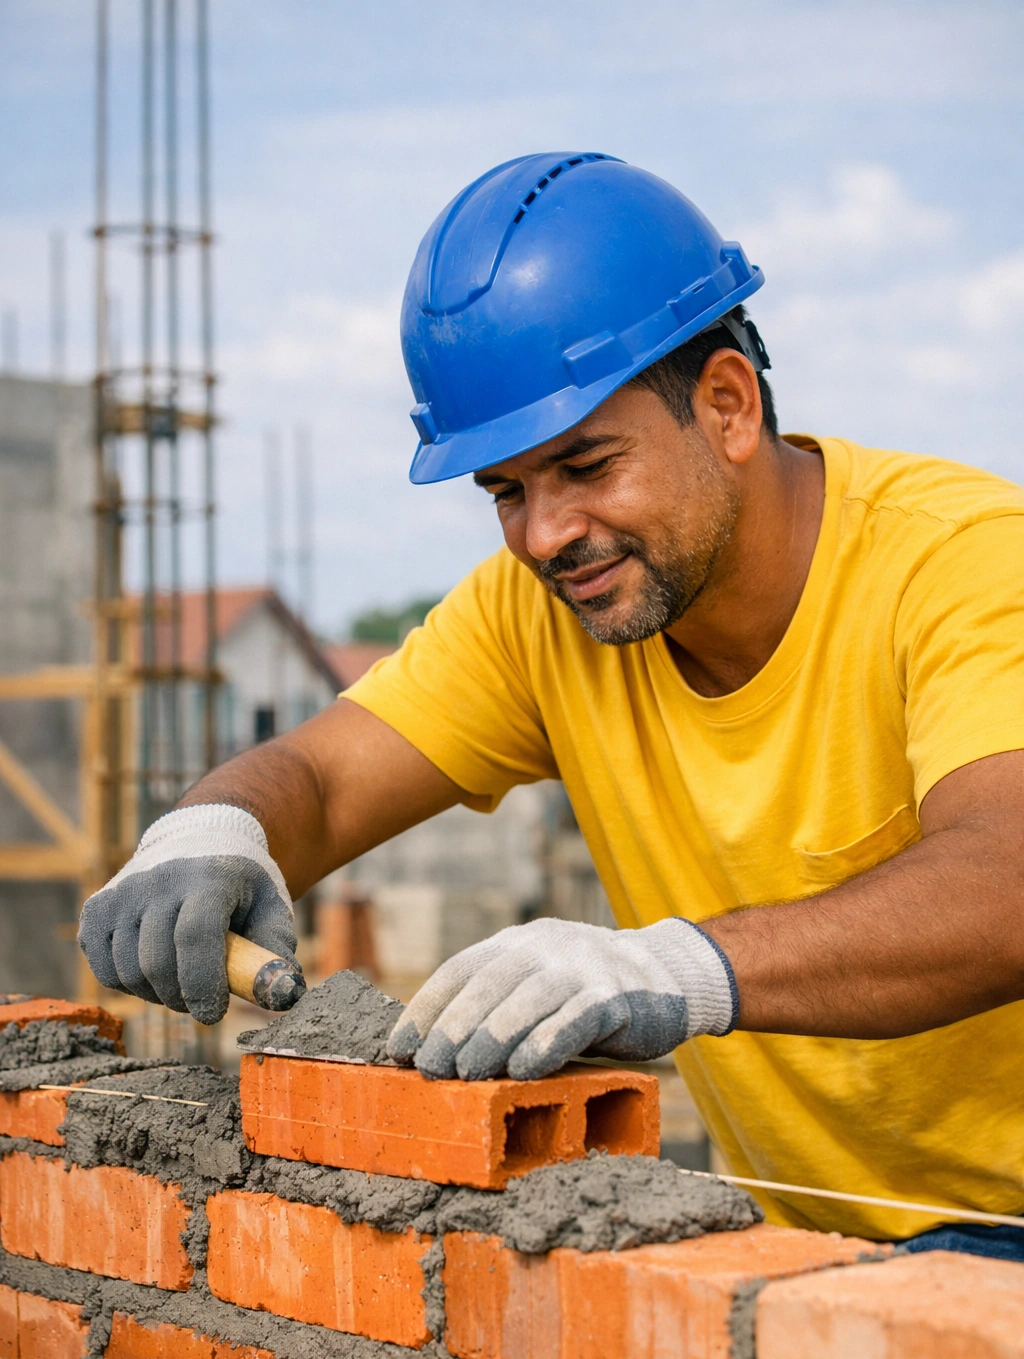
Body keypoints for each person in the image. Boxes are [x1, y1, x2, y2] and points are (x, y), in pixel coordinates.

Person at [79, 152, 1024, 1255]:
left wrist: (671, 967)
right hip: (811, 1268)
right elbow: (324, 778)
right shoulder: (549, 614)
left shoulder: (963, 565)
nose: (543, 535)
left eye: (586, 465)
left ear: (726, 405)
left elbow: (1006, 874)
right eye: (506, 492)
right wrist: (215, 826)